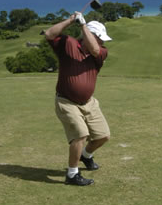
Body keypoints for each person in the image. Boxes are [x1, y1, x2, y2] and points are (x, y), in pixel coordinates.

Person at [44, 12, 112, 186]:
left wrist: (82, 25)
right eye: (101, 38)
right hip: (66, 101)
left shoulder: (101, 53)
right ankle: (72, 174)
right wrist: (71, 20)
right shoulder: (68, 44)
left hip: (89, 103)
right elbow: (49, 34)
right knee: (81, 135)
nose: (103, 42)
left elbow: (95, 49)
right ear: (91, 35)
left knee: (103, 136)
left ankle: (86, 156)